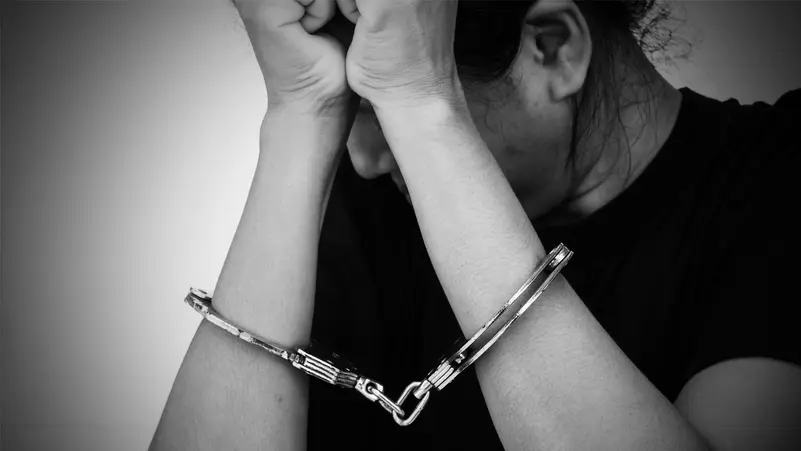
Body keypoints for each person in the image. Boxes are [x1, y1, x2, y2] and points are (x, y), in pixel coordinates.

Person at [150, 0, 801, 450]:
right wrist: (300, 115)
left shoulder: (779, 178)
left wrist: (422, 105)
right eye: (353, 107)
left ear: (553, 47)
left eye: (380, 103)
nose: (363, 160)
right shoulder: (373, 197)